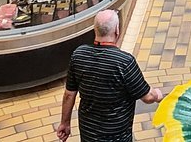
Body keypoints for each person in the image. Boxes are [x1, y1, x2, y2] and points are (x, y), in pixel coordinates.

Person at [56, 8, 162, 142]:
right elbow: (148, 97)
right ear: (117, 30)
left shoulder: (79, 55)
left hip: (88, 135)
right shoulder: (124, 62)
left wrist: (65, 123)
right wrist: (158, 95)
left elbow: (69, 94)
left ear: (95, 30)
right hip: (117, 137)